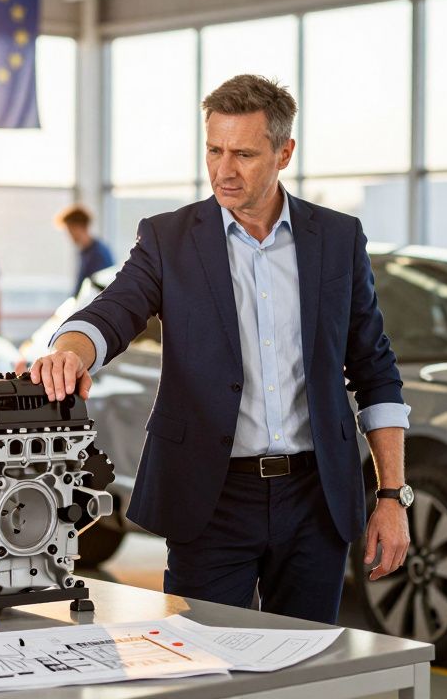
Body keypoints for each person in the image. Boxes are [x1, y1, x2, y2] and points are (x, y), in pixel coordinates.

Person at [30, 75, 411, 624]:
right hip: (211, 499)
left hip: (316, 499)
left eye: (244, 154)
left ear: (284, 153)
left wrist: (392, 496)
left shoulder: (338, 238)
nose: (223, 170)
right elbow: (113, 310)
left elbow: (375, 368)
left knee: (304, 669)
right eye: (214, 149)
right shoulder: (169, 238)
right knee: (204, 663)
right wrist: (70, 350)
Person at [55, 204, 114, 291]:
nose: (69, 235)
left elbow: (97, 290)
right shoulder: (86, 251)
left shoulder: (98, 253)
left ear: (79, 227)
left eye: (70, 230)